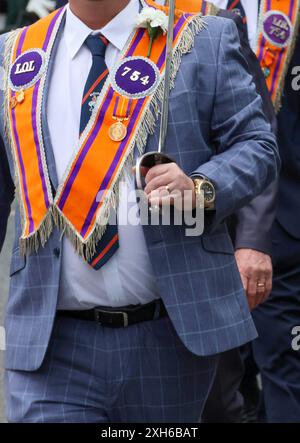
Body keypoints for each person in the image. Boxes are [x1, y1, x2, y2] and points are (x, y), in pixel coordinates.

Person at [0, 0, 279, 422]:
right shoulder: (15, 54)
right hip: (52, 344)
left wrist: (201, 186)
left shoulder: (202, 39)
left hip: (168, 337)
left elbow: (258, 146)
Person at [179, 0, 300, 423]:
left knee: (280, 372)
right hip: (183, 235)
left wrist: (253, 238)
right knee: (214, 389)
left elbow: (259, 135)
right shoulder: (155, 11)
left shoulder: (272, 14)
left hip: (278, 227)